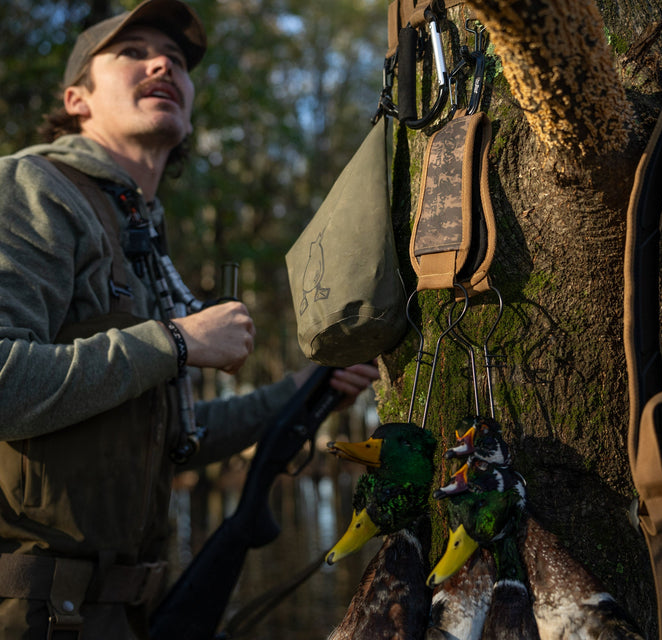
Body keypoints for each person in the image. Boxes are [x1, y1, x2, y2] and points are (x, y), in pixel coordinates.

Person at [0, 0, 380, 637]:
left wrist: (295, 396)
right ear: (76, 99)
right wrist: (176, 340)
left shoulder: (140, 231)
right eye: (133, 53)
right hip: (32, 615)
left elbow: (172, 440)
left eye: (176, 60)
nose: (161, 64)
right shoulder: (30, 189)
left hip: (125, 611)